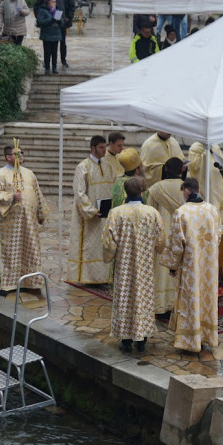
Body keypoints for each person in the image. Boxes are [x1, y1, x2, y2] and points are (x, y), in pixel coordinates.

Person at [102, 177, 165, 353]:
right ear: (142, 191)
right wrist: (156, 249)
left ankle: (126, 340)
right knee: (143, 297)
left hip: (124, 265)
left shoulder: (116, 213)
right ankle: (142, 338)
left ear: (126, 191)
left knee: (125, 296)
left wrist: (109, 257)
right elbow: (161, 240)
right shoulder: (152, 213)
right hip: (145, 266)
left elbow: (108, 243)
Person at [161, 177, 221, 353]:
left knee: (190, 299)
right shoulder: (213, 210)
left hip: (190, 267)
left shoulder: (181, 213)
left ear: (186, 191)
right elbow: (218, 236)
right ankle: (206, 336)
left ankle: (190, 341)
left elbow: (176, 245)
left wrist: (172, 266)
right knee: (206, 298)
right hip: (209, 266)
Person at [0, 145, 48, 296]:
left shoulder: (29, 174)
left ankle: (28, 282)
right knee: (8, 252)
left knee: (29, 249)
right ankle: (6, 284)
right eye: (17, 153)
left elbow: (37, 193)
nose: (21, 155)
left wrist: (41, 213)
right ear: (8, 157)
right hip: (10, 224)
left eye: (21, 153)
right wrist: (11, 197)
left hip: (29, 222)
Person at [67, 135, 116, 285]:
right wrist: (91, 210)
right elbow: (79, 192)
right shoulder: (83, 167)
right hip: (90, 216)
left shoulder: (108, 165)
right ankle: (89, 277)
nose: (104, 150)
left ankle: (103, 276)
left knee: (103, 244)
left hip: (105, 213)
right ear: (93, 148)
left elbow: (113, 186)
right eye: (101, 147)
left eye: (105, 147)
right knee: (90, 245)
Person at [146, 157, 186, 318]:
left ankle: (161, 304)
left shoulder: (156, 189)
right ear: (182, 170)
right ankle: (179, 305)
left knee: (162, 271)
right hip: (181, 235)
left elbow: (149, 216)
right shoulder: (187, 188)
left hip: (162, 236)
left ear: (166, 169)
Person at [34, 0, 73, 68]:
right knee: (48, 46)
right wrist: (40, 18)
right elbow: (37, 5)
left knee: (62, 43)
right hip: (48, 26)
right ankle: (47, 63)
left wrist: (69, 17)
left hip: (61, 22)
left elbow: (71, 6)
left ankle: (63, 60)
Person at [186, 142, 223, 219]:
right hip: (203, 183)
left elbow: (222, 163)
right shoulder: (194, 148)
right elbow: (193, 166)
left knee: (216, 207)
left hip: (216, 183)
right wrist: (205, 153)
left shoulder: (215, 146)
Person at [37, 0, 64, 75]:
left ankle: (54, 67)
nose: (55, 3)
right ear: (48, 2)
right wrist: (51, 19)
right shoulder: (42, 10)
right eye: (53, 2)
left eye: (55, 2)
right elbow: (40, 22)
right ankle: (47, 68)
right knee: (47, 52)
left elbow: (62, 23)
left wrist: (59, 21)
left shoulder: (57, 10)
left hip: (56, 34)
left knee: (54, 52)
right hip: (47, 35)